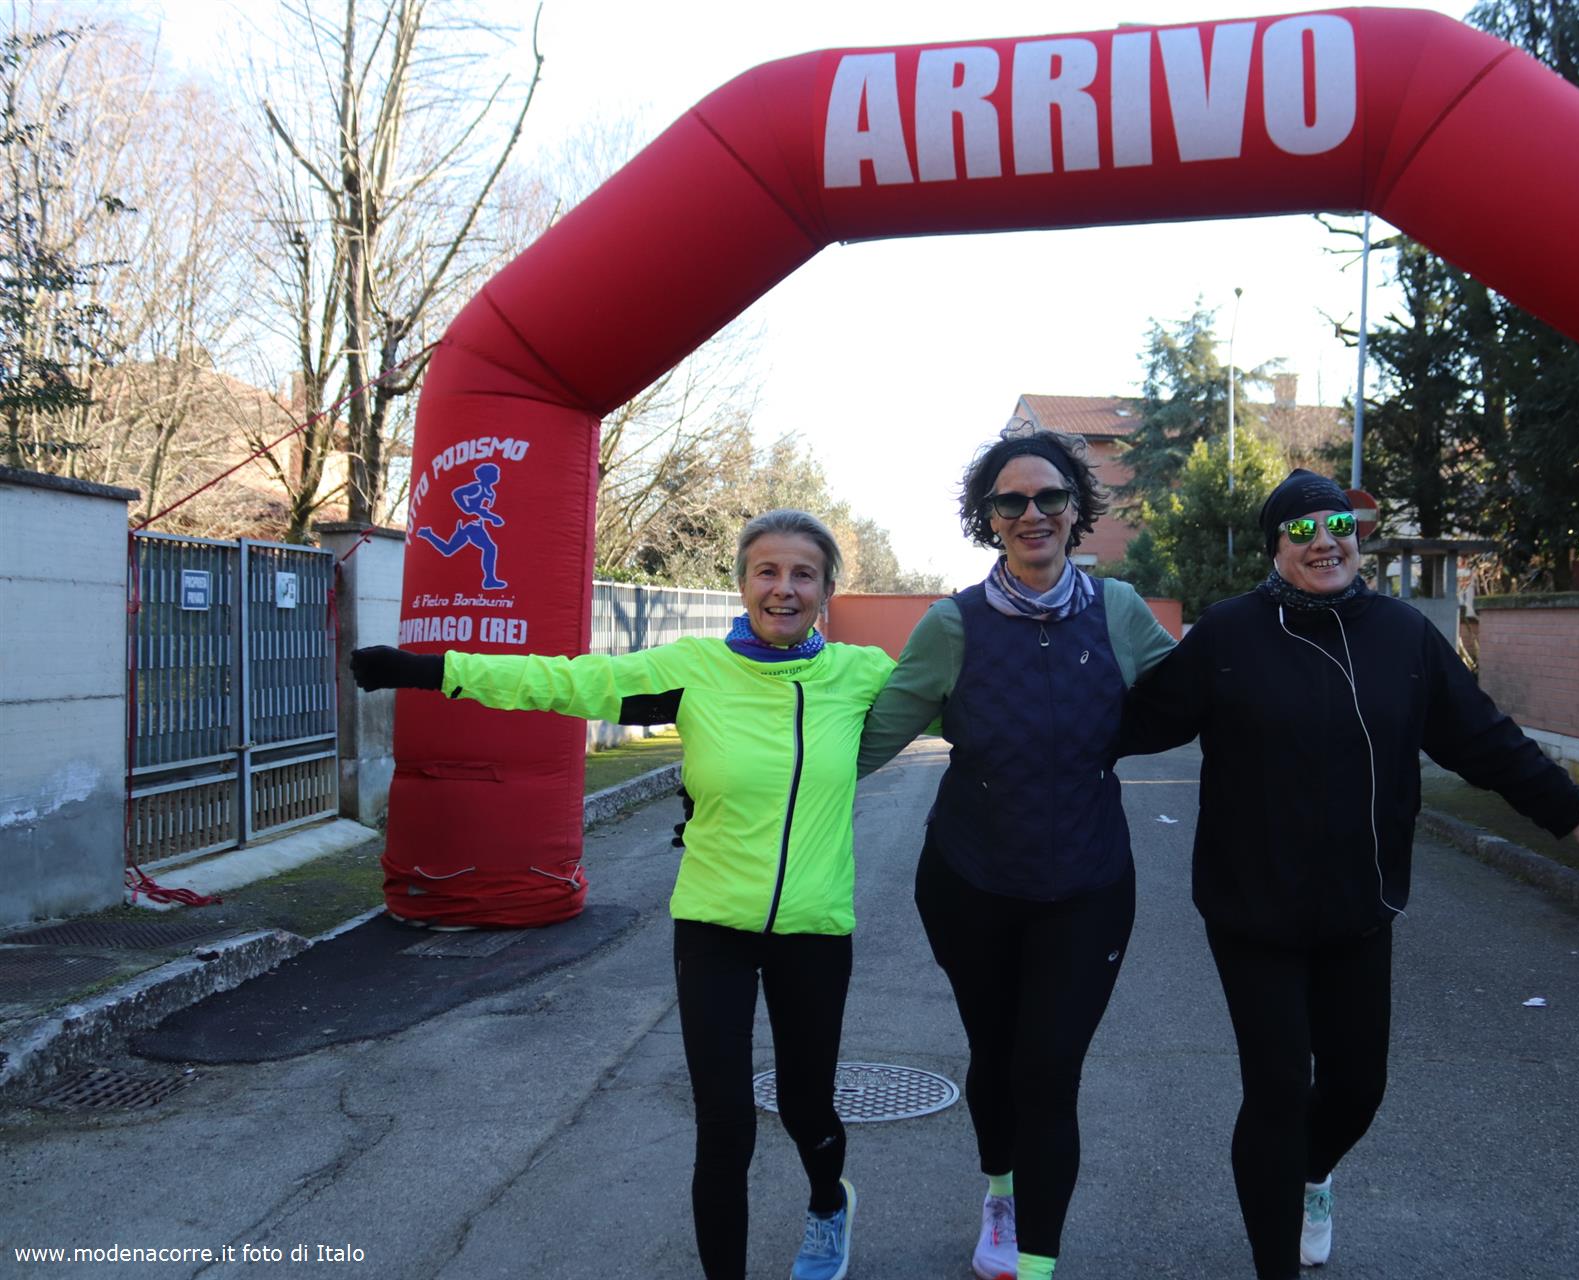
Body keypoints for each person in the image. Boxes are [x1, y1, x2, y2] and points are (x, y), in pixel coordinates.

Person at [1118, 468, 1579, 1279]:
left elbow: (1482, 738)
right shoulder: (1228, 635)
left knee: (1357, 1089)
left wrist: (1569, 810)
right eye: (1302, 530)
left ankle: (1313, 1174)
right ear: (1275, 547)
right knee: (1278, 1089)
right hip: (1252, 909)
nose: (1324, 541)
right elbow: (1139, 721)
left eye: (1339, 525)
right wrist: (1033, 737)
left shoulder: (1402, 636)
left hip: (1362, 905)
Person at [350, 509, 895, 1280]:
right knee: (725, 1127)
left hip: (815, 931)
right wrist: (426, 669)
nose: (784, 588)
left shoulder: (861, 674)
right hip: (713, 928)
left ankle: (828, 1203)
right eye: (766, 571)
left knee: (808, 1109)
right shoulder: (695, 667)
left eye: (802, 574)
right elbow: (565, 681)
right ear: (742, 584)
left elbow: (976, 702)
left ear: (827, 589)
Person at [858, 424, 1176, 1280]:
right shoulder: (951, 624)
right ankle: (1000, 1189)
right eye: (1011, 501)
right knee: (996, 1056)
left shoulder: (1119, 610)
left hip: (1089, 884)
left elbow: (1198, 698)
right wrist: (749, 784)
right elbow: (872, 738)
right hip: (971, 883)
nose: (1033, 513)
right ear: (990, 517)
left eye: (1050, 496)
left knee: (1049, 1071)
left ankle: (1035, 1263)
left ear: (1076, 509)